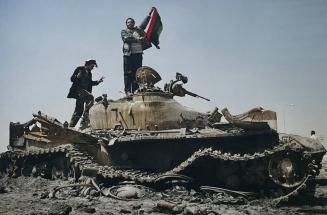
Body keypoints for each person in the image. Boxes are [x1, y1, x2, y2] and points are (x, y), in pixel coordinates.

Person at [121, 10, 153, 94]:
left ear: (133, 23)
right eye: (128, 22)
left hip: (137, 53)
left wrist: (149, 15)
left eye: (131, 22)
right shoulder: (124, 31)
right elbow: (126, 38)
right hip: (128, 54)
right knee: (128, 73)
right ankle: (128, 91)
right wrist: (138, 39)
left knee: (138, 72)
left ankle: (136, 89)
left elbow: (144, 24)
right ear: (126, 24)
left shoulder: (138, 30)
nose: (129, 23)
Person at [67, 59, 104, 129]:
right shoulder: (80, 69)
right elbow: (72, 79)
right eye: (92, 66)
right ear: (88, 64)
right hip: (79, 90)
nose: (93, 68)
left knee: (79, 111)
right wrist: (77, 76)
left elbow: (90, 83)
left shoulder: (89, 73)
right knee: (90, 98)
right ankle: (85, 120)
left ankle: (71, 126)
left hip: (84, 93)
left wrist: (97, 82)